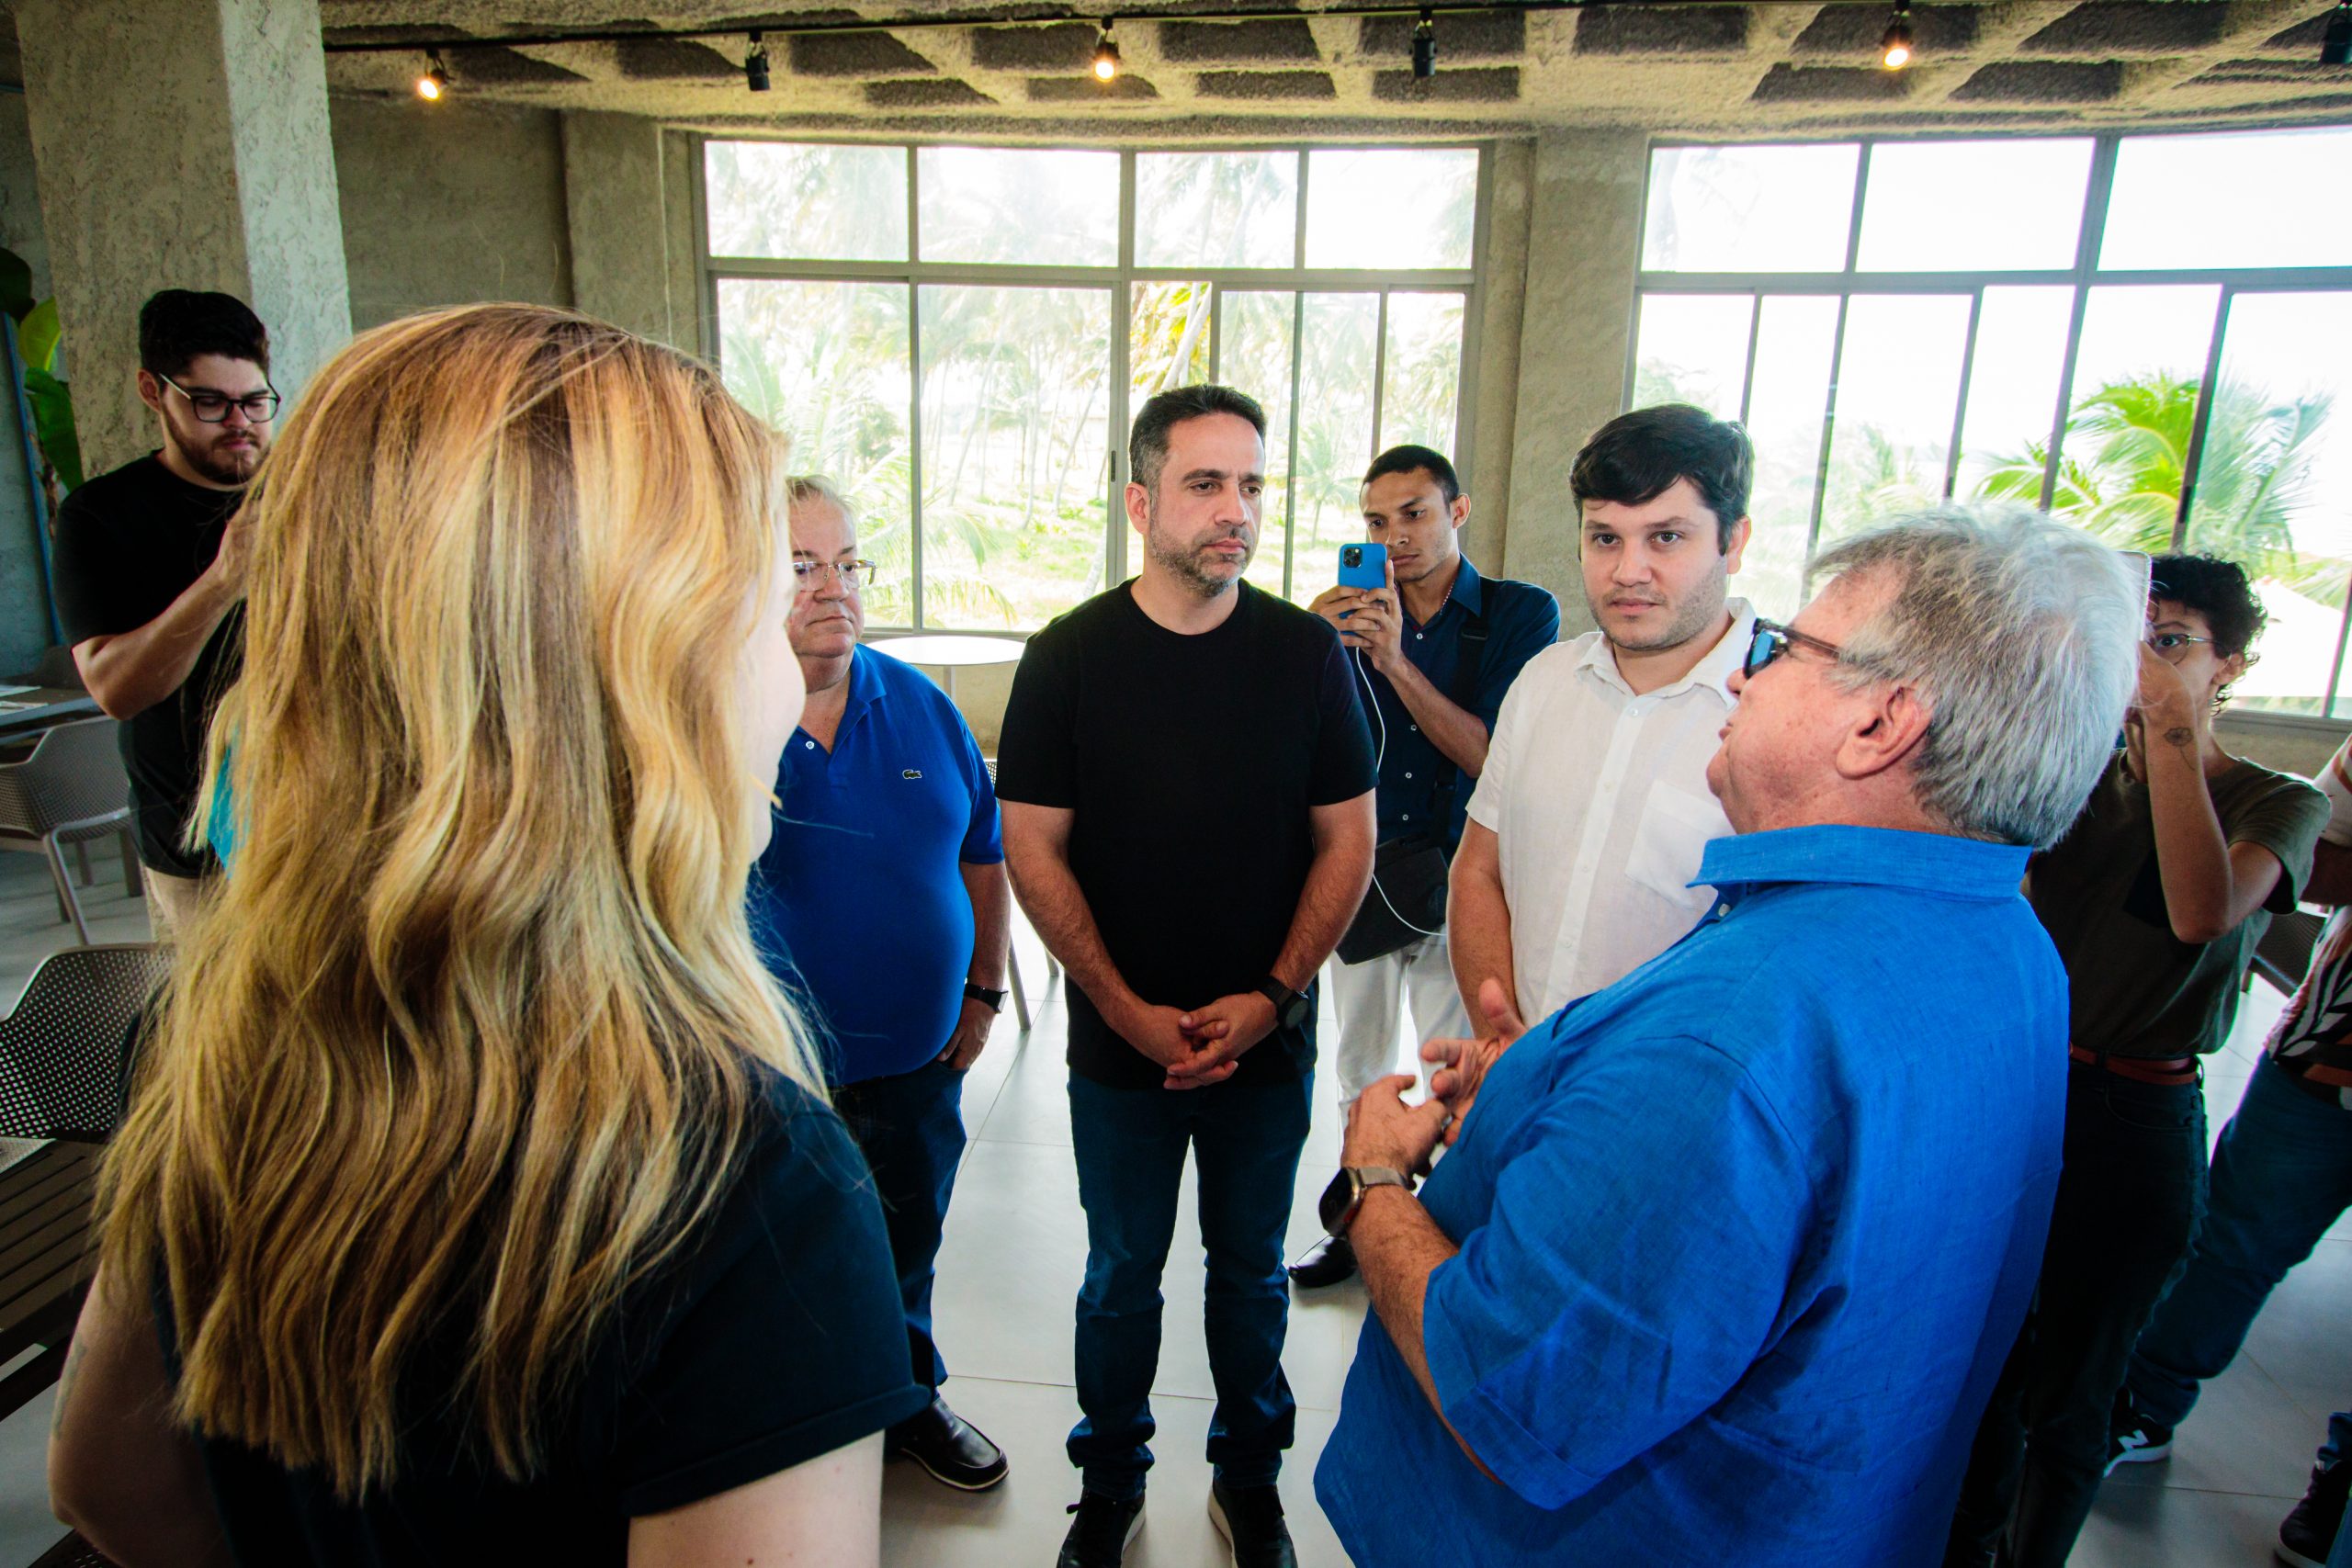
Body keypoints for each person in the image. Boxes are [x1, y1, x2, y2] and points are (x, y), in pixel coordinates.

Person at [46, 305, 926, 1566]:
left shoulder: (210, 1026)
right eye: (755, 606)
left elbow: (108, 1478)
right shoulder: (751, 1184)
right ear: (633, 680)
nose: (788, 682)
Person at [1315, 505, 2143, 1567]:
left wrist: (1377, 1178)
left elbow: (1510, 1391)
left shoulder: (1733, 1039)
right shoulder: (2008, 946)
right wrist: (1552, 1100)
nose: (1746, 675)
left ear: (1882, 723)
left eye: (1788, 649)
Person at [995, 384, 1375, 1568]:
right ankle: (1108, 1482)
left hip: (1268, 1045)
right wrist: (1123, 1010)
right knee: (1119, 1279)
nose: (1236, 512)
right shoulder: (1067, 659)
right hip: (1122, 1049)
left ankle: (1247, 1482)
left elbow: (1347, 842)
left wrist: (1268, 1000)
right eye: (1207, 485)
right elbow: (1030, 846)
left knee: (1249, 1277)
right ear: (1140, 501)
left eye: (1252, 486)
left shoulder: (1308, 656)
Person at [1946, 555, 2329, 1568]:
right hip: (2023, 1094)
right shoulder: (2071, 776)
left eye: (2172, 645)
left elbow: (2202, 911)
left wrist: (2166, 723)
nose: (2146, 666)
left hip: (2132, 1120)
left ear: (2228, 668)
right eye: (2131, 642)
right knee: (1982, 1370)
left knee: (2074, 1395)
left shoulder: (2273, 801)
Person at [748, 476, 1012, 1493]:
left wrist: (984, 990)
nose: (832, 589)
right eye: (801, 567)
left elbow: (981, 855)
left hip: (914, 1056)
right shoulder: (712, 708)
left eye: (846, 564)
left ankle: (907, 1399)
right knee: (774, 1256)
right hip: (765, 1073)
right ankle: (790, 1429)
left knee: (906, 1233)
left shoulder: (922, 706)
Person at [1289, 444, 1557, 1290]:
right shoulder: (1344, 618)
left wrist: (1396, 662)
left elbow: (1490, 755)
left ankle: (1453, 1231)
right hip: (1357, 877)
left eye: (1414, 513)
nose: (1395, 537)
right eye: (1376, 521)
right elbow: (1299, 750)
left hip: (1461, 881)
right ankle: (1363, 1217)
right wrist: (1308, 651)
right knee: (1360, 1064)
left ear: (1459, 510)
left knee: (1457, 1069)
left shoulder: (1517, 615)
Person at [2102, 729, 2352, 1568]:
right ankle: (2144, 1400)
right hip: (2328, 1056)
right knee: (2236, 1238)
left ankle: (2343, 1473)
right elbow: (2311, 862)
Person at [1447, 404, 1757, 1047]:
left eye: (1666, 537)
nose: (1628, 571)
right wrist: (1500, 1046)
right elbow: (1478, 871)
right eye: (1605, 537)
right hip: (1516, 1080)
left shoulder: (1777, 715)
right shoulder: (1544, 680)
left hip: (1667, 1116)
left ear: (1734, 541)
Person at [51, 289, 273, 939]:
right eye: (210, 402)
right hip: (194, 845)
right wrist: (224, 579)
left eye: (255, 401)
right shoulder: (102, 515)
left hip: (325, 822)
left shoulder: (307, 484)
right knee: (235, 1033)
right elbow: (115, 689)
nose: (240, 421)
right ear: (154, 391)